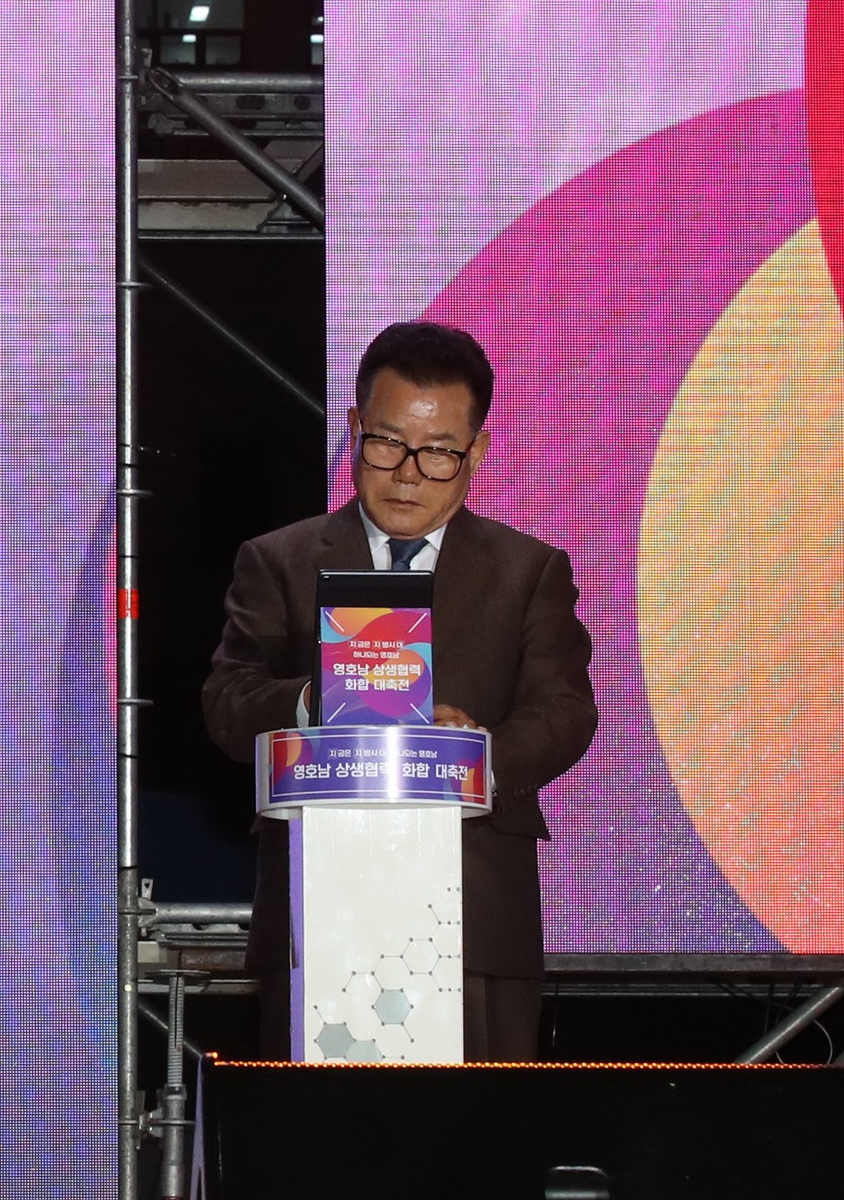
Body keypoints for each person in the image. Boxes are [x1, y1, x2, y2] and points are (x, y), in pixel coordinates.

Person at [202, 319, 596, 1062]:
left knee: (478, 1131)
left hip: (476, 912)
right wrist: (319, 702)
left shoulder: (528, 570)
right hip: (315, 913)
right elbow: (227, 702)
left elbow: (566, 710)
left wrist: (476, 755)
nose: (409, 473)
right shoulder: (279, 559)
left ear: (477, 451)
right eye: (387, 443)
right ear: (355, 429)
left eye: (439, 452)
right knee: (315, 1129)